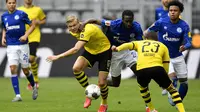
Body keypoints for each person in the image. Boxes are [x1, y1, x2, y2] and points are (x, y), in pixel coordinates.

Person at [46, 15, 111, 112]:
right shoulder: (73, 31)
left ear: (79, 22)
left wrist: (57, 56)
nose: (72, 28)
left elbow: (76, 49)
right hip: (91, 51)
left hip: (104, 51)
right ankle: (89, 93)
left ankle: (104, 104)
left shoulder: (88, 29)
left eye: (74, 25)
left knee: (102, 83)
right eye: (70, 26)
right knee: (76, 68)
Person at [112, 32, 186, 112]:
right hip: (157, 68)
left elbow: (128, 45)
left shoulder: (140, 43)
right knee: (172, 90)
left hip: (141, 70)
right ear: (157, 39)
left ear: (146, 38)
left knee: (143, 89)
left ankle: (151, 109)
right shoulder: (163, 46)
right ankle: (182, 110)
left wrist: (117, 49)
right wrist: (164, 78)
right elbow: (166, 63)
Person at [144, 0, 192, 106]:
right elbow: (147, 31)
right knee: (172, 76)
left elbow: (189, 41)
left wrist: (185, 46)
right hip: (164, 56)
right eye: (171, 10)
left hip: (178, 56)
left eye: (175, 10)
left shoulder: (184, 26)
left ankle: (178, 100)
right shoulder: (161, 22)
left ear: (180, 12)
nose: (172, 12)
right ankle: (171, 93)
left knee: (184, 83)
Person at [83, 10, 143, 87]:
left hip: (128, 51)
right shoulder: (114, 24)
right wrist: (84, 23)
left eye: (130, 21)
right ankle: (99, 84)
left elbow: (141, 43)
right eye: (126, 21)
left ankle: (147, 92)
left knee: (140, 73)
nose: (129, 24)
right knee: (115, 83)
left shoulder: (136, 27)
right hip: (115, 53)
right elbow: (95, 21)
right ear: (122, 19)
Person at [1, 0, 38, 102]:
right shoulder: (3, 16)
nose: (11, 4)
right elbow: (4, 27)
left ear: (15, 4)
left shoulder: (21, 14)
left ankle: (34, 86)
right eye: (9, 3)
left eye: (13, 2)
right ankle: (18, 95)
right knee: (13, 69)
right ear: (6, 4)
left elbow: (33, 25)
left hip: (23, 46)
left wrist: (25, 35)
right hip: (11, 46)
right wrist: (3, 37)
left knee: (25, 70)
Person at [18, 0, 46, 90]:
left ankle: (35, 80)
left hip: (34, 36)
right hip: (23, 36)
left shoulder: (38, 10)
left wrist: (39, 22)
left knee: (31, 58)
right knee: (27, 60)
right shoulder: (19, 10)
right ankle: (32, 81)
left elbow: (43, 20)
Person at [155, 0, 179, 96]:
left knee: (171, 68)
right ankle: (167, 86)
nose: (166, 1)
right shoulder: (158, 11)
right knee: (162, 66)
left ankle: (170, 86)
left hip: (172, 43)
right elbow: (156, 25)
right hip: (161, 43)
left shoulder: (174, 12)